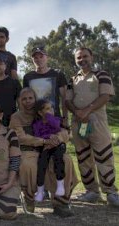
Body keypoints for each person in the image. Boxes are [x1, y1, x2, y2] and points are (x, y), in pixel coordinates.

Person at [9, 88, 78, 217]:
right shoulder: (16, 117)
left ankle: (60, 202)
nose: (28, 101)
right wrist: (43, 141)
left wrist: (57, 138)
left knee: (66, 160)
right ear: (19, 101)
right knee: (28, 165)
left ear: (35, 99)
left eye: (30, 98)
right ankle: (30, 199)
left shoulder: (46, 111)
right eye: (24, 99)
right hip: (28, 151)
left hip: (51, 148)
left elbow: (63, 131)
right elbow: (20, 137)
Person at [66, 47, 119, 206]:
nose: (82, 59)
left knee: (104, 156)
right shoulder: (72, 79)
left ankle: (111, 192)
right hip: (78, 122)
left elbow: (106, 95)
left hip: (97, 122)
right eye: (79, 57)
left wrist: (87, 110)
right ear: (75, 60)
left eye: (85, 56)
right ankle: (91, 191)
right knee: (83, 157)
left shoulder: (101, 74)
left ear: (92, 56)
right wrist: (78, 112)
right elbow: (67, 100)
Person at [23, 46, 69, 126]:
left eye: (41, 56)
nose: (39, 59)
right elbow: (25, 100)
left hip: (55, 119)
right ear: (32, 60)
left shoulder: (58, 74)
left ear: (47, 57)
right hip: (35, 121)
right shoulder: (28, 77)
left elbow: (64, 98)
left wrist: (65, 118)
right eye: (36, 57)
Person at [32, 99, 66, 202]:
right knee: (41, 164)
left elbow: (57, 127)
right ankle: (40, 191)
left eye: (51, 108)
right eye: (47, 109)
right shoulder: (37, 124)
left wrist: (49, 116)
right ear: (40, 112)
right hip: (45, 146)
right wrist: (49, 137)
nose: (51, 110)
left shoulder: (55, 119)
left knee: (59, 158)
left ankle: (60, 184)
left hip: (57, 145)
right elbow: (38, 136)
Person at [0, 53, 22, 126]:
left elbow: (21, 106)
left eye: (0, 63)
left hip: (11, 125)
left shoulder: (14, 83)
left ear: (5, 66)